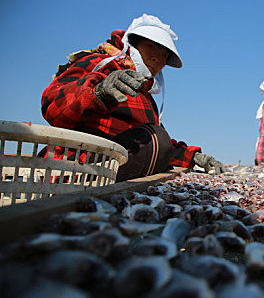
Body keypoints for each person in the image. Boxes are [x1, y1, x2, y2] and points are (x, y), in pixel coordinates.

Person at [41, 14, 226, 181]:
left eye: (164, 55)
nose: (158, 60)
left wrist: (193, 157)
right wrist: (99, 92)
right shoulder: (98, 64)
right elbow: (52, 106)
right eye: (151, 47)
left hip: (115, 167)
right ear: (132, 45)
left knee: (156, 138)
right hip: (74, 167)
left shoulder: (143, 93)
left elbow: (149, 146)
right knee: (156, 138)